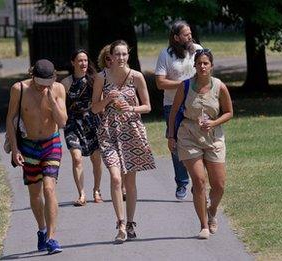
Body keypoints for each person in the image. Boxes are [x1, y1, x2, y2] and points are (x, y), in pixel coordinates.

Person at [92, 40, 156, 244]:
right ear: (110, 57)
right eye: (117, 54)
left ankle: (130, 223)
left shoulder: (136, 77)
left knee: (130, 181)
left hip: (132, 131)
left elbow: (147, 106)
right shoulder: (101, 77)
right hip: (109, 131)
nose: (121, 58)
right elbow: (94, 108)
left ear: (128, 55)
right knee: (116, 178)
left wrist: (132, 109)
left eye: (124, 54)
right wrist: (107, 100)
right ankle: (120, 223)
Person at [167, 49, 233, 239]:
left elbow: (229, 112)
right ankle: (203, 225)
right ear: (194, 65)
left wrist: (214, 122)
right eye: (199, 63)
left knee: (219, 185)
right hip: (188, 135)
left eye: (206, 63)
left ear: (211, 66)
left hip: (213, 137)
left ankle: (211, 210)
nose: (202, 66)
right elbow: (174, 112)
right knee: (199, 181)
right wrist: (171, 135)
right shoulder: (185, 86)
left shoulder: (219, 86)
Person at [6, 59, 67, 254]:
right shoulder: (19, 89)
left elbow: (63, 121)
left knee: (49, 189)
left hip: (51, 143)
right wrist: (15, 149)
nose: (43, 88)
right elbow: (10, 119)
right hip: (28, 146)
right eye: (40, 84)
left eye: (47, 84)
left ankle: (51, 237)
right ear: (33, 76)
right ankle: (41, 229)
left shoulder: (57, 89)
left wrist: (52, 102)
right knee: (35, 193)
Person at [155, 20, 203, 200]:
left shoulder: (198, 49)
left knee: (199, 141)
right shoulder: (165, 55)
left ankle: (198, 181)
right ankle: (182, 182)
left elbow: (206, 73)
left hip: (197, 104)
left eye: (190, 33)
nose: (190, 37)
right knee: (175, 144)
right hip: (172, 105)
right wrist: (184, 85)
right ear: (176, 37)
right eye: (185, 34)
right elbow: (160, 83)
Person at [61, 49, 103, 206]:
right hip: (72, 123)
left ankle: (97, 190)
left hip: (92, 121)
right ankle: (82, 194)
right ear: (73, 62)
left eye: (85, 60)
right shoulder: (65, 83)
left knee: (96, 159)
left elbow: (101, 101)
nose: (83, 63)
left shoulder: (94, 80)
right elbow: (59, 104)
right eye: (80, 60)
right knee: (76, 158)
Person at [97, 44, 127, 201]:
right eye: (107, 58)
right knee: (114, 163)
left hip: (125, 125)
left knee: (123, 160)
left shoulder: (128, 75)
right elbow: (96, 103)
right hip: (106, 124)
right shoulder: (101, 77)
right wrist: (108, 101)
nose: (111, 61)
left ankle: (122, 186)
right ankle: (118, 185)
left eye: (113, 57)